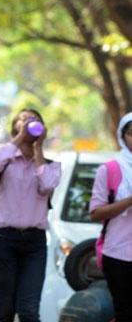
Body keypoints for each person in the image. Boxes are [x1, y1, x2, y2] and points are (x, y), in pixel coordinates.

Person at [0, 109, 61, 322]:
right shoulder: (5, 159)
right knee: (4, 310)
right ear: (15, 127)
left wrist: (38, 150)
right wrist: (19, 139)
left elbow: (47, 186)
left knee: (28, 310)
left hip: (34, 243)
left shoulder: (50, 165)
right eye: (24, 120)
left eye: (34, 120)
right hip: (1, 239)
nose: (29, 124)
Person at [89, 113, 132, 322]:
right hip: (119, 254)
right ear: (122, 137)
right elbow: (95, 212)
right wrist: (129, 201)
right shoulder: (110, 169)